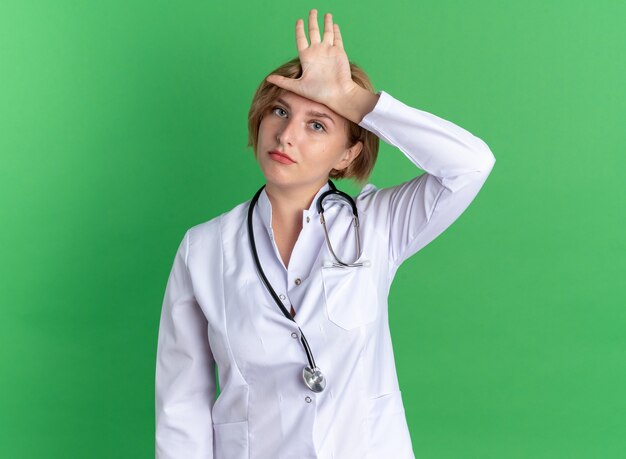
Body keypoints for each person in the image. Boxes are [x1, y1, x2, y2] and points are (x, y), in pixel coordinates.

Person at [155, 9, 495, 459]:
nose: (286, 135)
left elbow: (471, 164)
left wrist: (354, 101)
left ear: (347, 154)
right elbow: (182, 406)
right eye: (279, 111)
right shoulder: (202, 249)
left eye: (318, 124)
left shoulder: (377, 225)